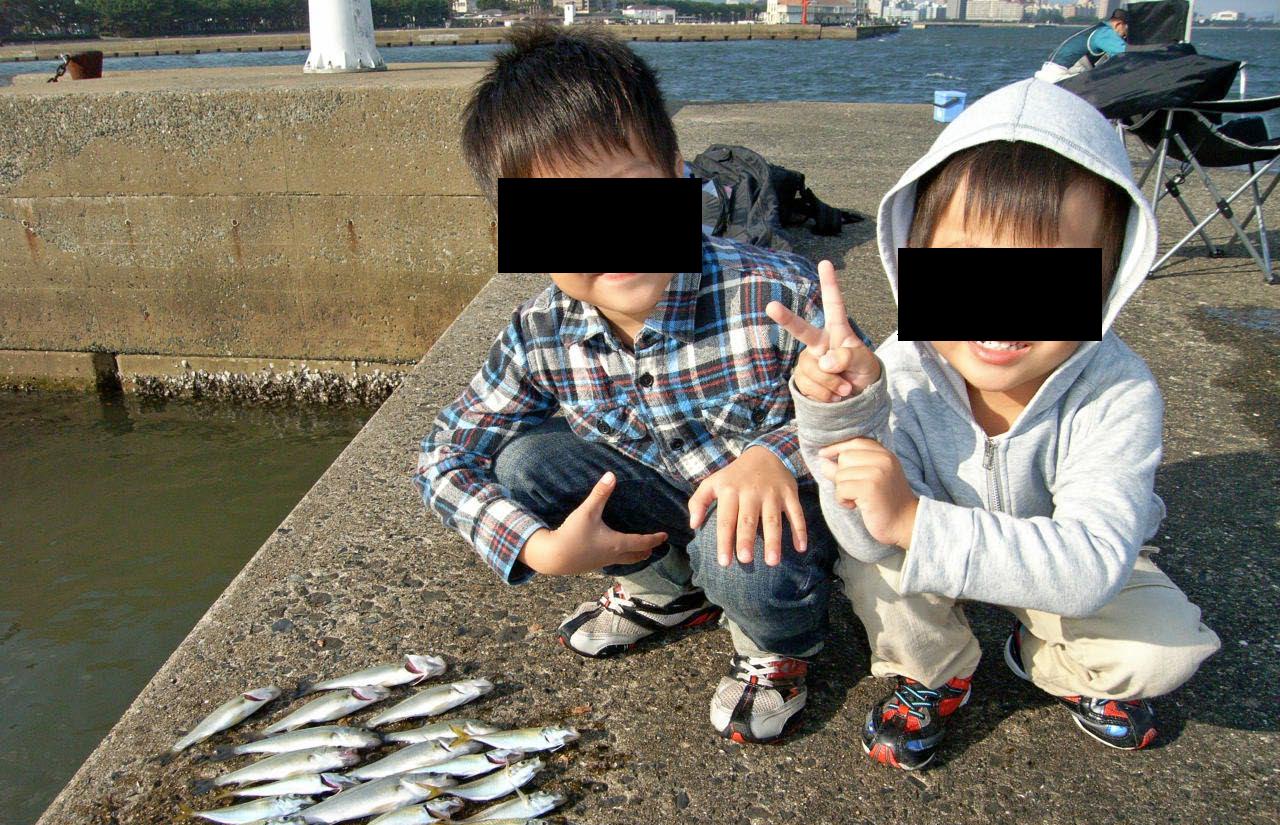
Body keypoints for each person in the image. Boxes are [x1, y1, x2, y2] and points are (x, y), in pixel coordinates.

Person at [417, 24, 868, 744]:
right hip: (667, 505)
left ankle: (779, 646)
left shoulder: (777, 293)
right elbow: (444, 455)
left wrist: (777, 452)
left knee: (741, 558)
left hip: (776, 526)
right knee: (524, 462)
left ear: (680, 182)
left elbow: (875, 412)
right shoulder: (541, 331)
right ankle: (667, 592)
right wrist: (536, 548)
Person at [767, 78, 1220, 770]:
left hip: (1057, 561)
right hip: (933, 552)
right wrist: (838, 418)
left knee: (1162, 652)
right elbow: (863, 534)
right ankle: (937, 671)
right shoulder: (904, 368)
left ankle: (1040, 655)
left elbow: (1093, 565)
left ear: (1110, 279)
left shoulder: (1118, 390)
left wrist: (913, 519)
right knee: (871, 566)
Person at [1035, 8, 1129, 84]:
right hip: (1061, 77)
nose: (1126, 35)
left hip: (1048, 74)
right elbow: (1126, 54)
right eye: (1127, 30)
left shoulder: (1094, 30)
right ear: (1118, 24)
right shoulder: (1105, 32)